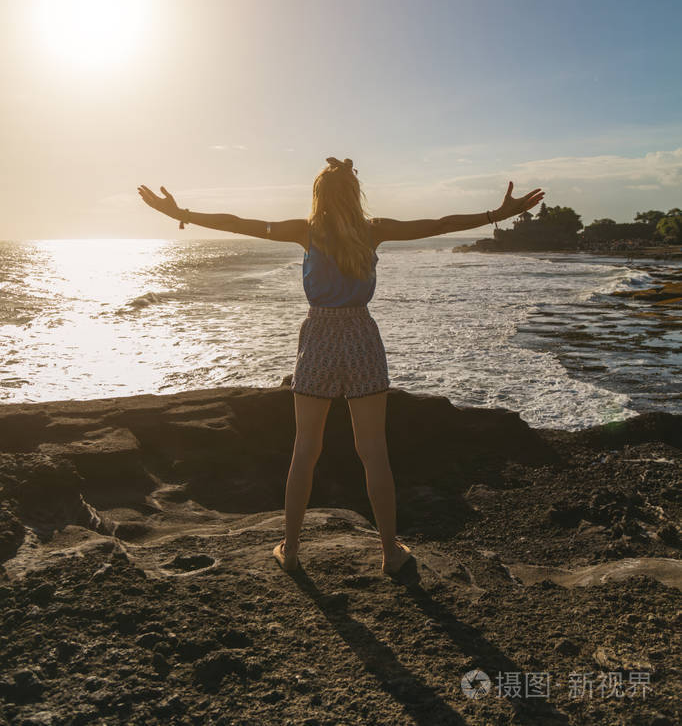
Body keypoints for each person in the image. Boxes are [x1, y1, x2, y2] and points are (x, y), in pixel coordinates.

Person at [138, 158, 544, 576]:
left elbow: (240, 222)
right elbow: (438, 223)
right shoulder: (375, 230)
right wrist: (496, 214)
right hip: (362, 337)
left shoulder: (305, 231)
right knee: (374, 453)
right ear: (355, 194)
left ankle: (291, 549)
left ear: (318, 196)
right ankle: (390, 552)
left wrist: (180, 214)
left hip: (318, 338)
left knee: (304, 451)